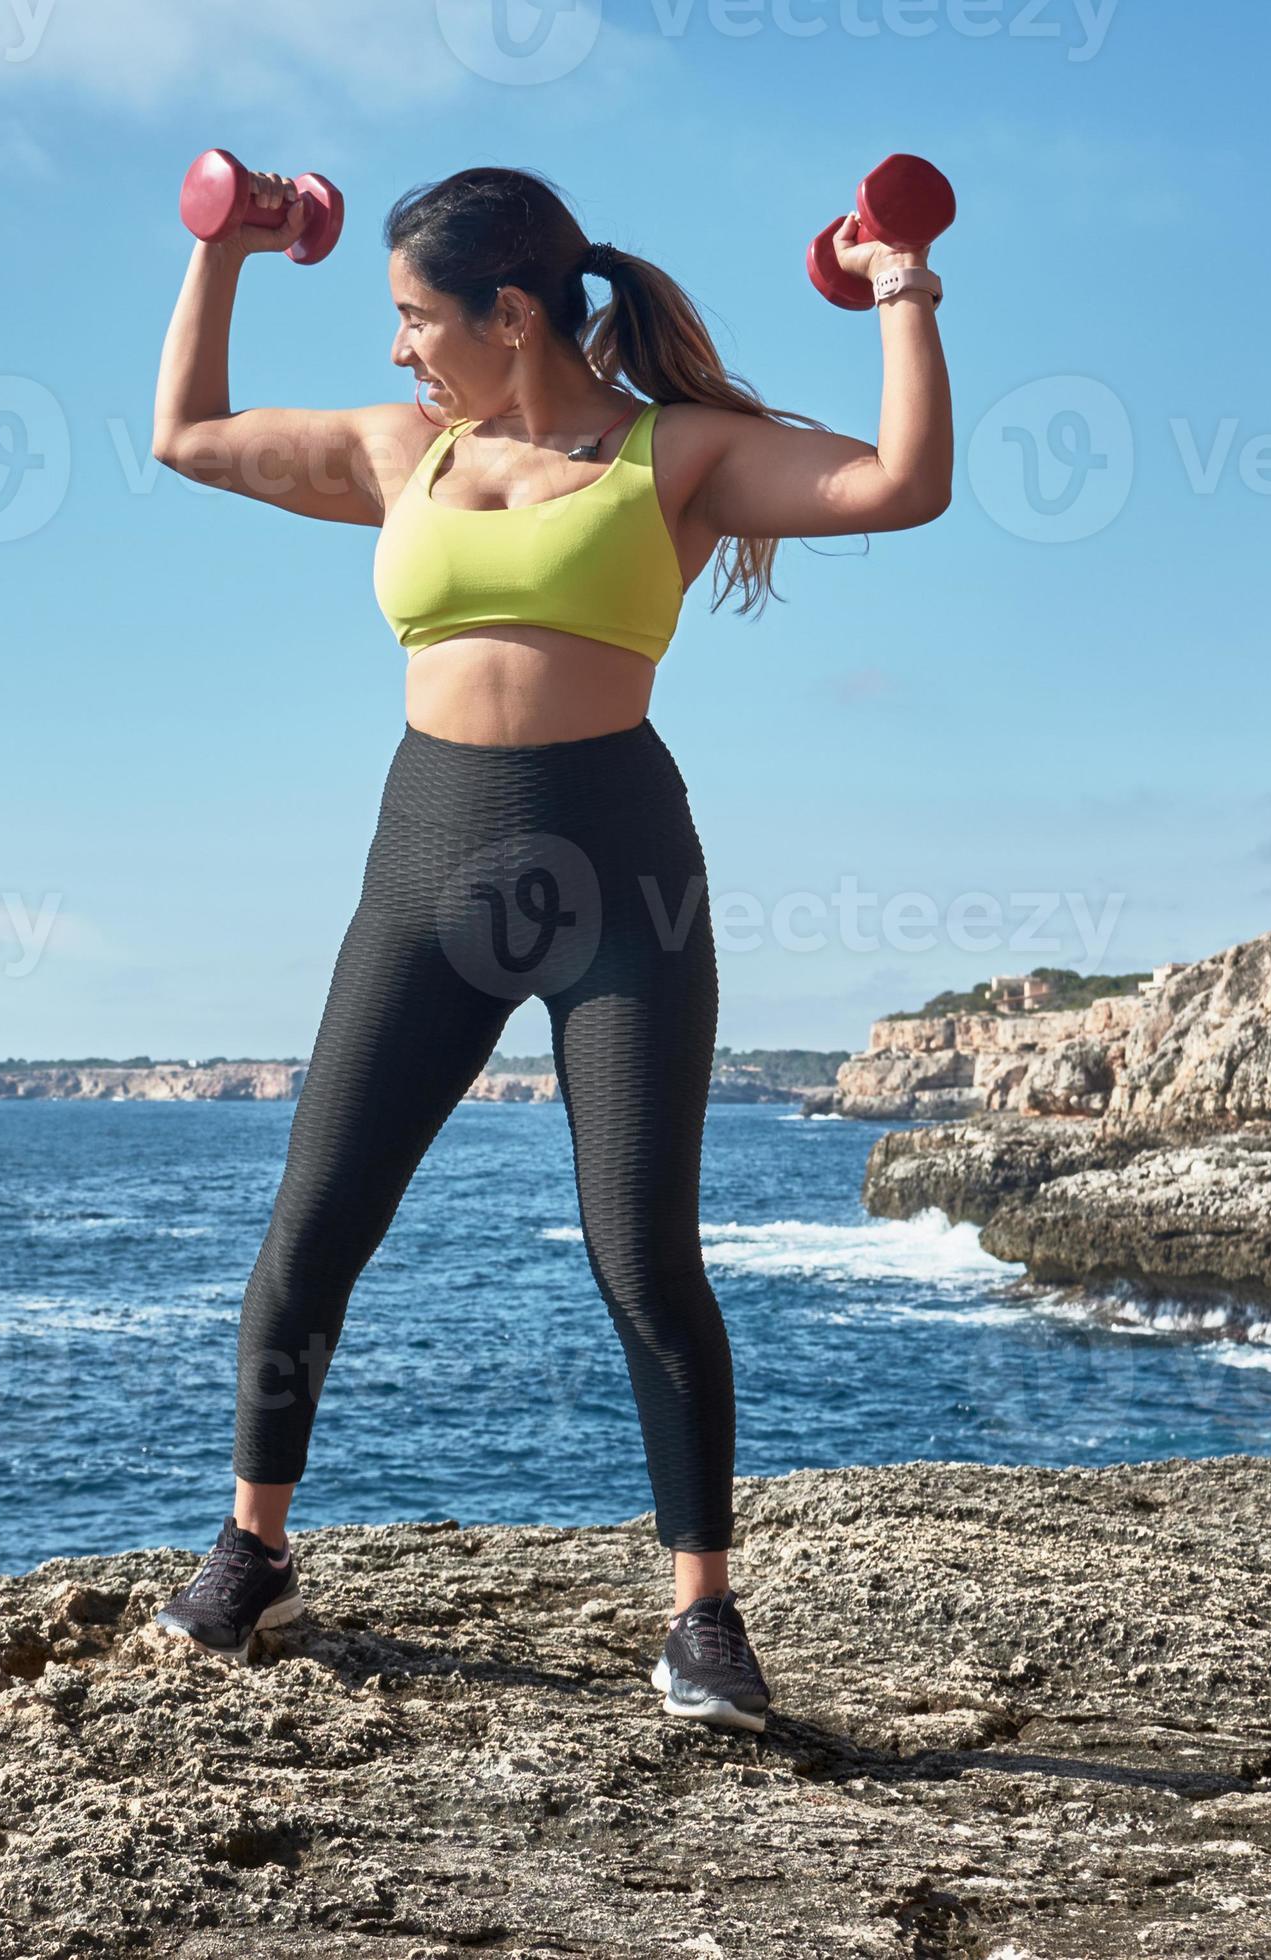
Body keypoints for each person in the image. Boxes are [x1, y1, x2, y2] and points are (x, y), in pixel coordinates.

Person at [144, 165, 952, 1729]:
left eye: (413, 318)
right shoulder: (405, 451)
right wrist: (221, 251)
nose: (396, 352)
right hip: (425, 880)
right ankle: (254, 1549)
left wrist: (901, 282)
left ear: (510, 314)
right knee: (315, 1225)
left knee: (641, 1255)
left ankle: (702, 1620)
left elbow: (899, 484)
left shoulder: (678, 453)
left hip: (624, 888)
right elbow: (188, 435)